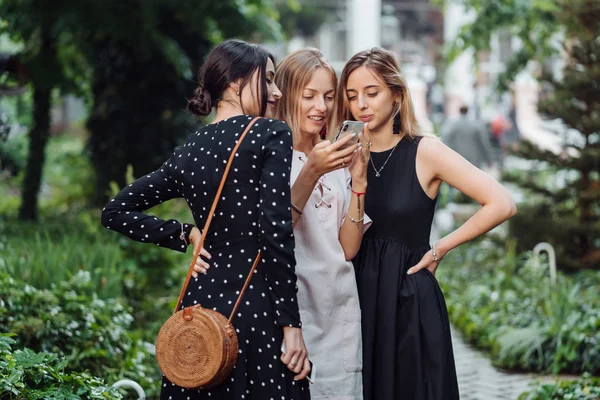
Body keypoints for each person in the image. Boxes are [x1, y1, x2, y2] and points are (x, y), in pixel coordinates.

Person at [101, 39, 311, 400]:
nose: (276, 92)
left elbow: (115, 212)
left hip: (200, 309)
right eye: (270, 80)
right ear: (235, 83)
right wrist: (291, 325)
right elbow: (276, 233)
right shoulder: (270, 134)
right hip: (254, 303)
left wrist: (186, 234)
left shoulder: (189, 150)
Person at [336, 47, 517, 400]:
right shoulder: (343, 155)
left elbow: (501, 203)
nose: (361, 104)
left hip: (408, 299)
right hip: (354, 299)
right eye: (352, 95)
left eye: (372, 93)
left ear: (397, 94)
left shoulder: (425, 150)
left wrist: (441, 248)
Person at [274, 48, 371, 399]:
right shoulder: (271, 160)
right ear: (284, 96)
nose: (321, 107)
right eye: (309, 95)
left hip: (338, 313)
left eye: (329, 97)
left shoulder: (338, 159)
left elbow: (348, 248)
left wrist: (358, 182)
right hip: (288, 314)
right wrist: (312, 170)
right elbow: (274, 232)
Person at [442, 105, 496, 170]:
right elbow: (484, 143)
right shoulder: (476, 125)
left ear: (459, 111)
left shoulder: (453, 125)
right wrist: (489, 160)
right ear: (467, 111)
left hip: (458, 159)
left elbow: (447, 141)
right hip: (474, 160)